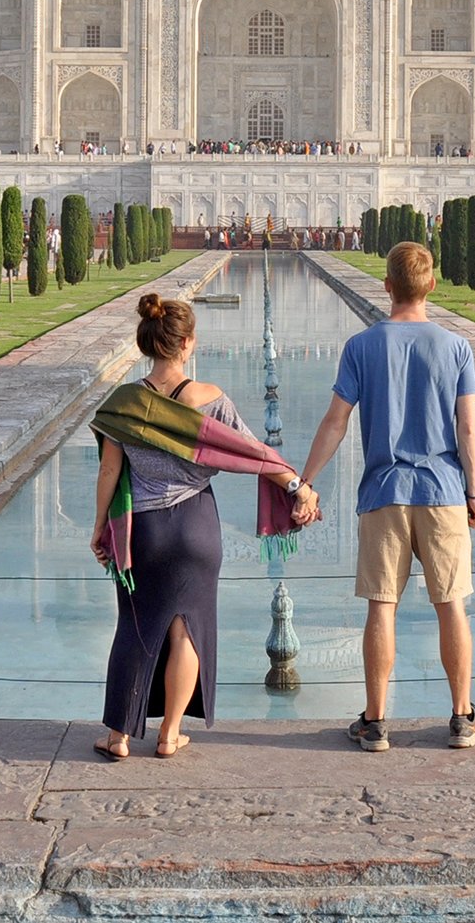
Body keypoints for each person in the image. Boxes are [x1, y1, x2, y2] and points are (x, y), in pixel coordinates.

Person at [89, 294, 314, 761]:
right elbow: (256, 454)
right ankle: (170, 734)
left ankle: (119, 737)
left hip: (144, 531)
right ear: (187, 344)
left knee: (134, 628)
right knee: (186, 630)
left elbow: (109, 473)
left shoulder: (123, 405)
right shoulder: (210, 400)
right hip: (197, 530)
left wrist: (99, 527)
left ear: (146, 344)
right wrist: (298, 487)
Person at [297, 241, 475, 753]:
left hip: (383, 492)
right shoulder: (455, 347)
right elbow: (468, 428)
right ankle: (462, 717)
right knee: (452, 606)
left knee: (382, 607)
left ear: (386, 286)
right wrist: (473, 490)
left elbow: (336, 421)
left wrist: (305, 480)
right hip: (443, 490)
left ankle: (376, 723)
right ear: (431, 285)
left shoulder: (362, 347)